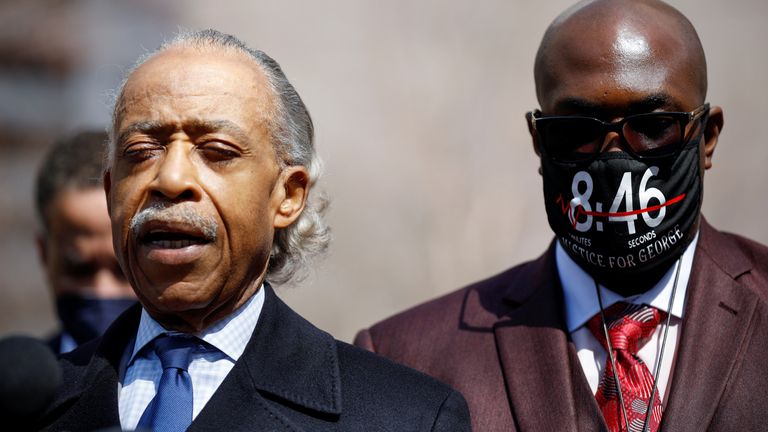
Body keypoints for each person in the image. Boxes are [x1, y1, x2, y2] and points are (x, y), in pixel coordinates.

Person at [355, 1, 768, 431]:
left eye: (653, 126)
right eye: (577, 130)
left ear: (708, 138)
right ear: (539, 140)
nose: (615, 159)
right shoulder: (404, 357)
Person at [38, 30, 470, 432]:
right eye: (142, 151)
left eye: (217, 152)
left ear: (288, 195)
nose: (170, 179)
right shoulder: (32, 403)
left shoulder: (405, 417)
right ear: (112, 191)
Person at [35, 131, 137, 354]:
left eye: (124, 270)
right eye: (79, 270)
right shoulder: (20, 386)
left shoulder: (180, 383)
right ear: (43, 254)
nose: (103, 291)